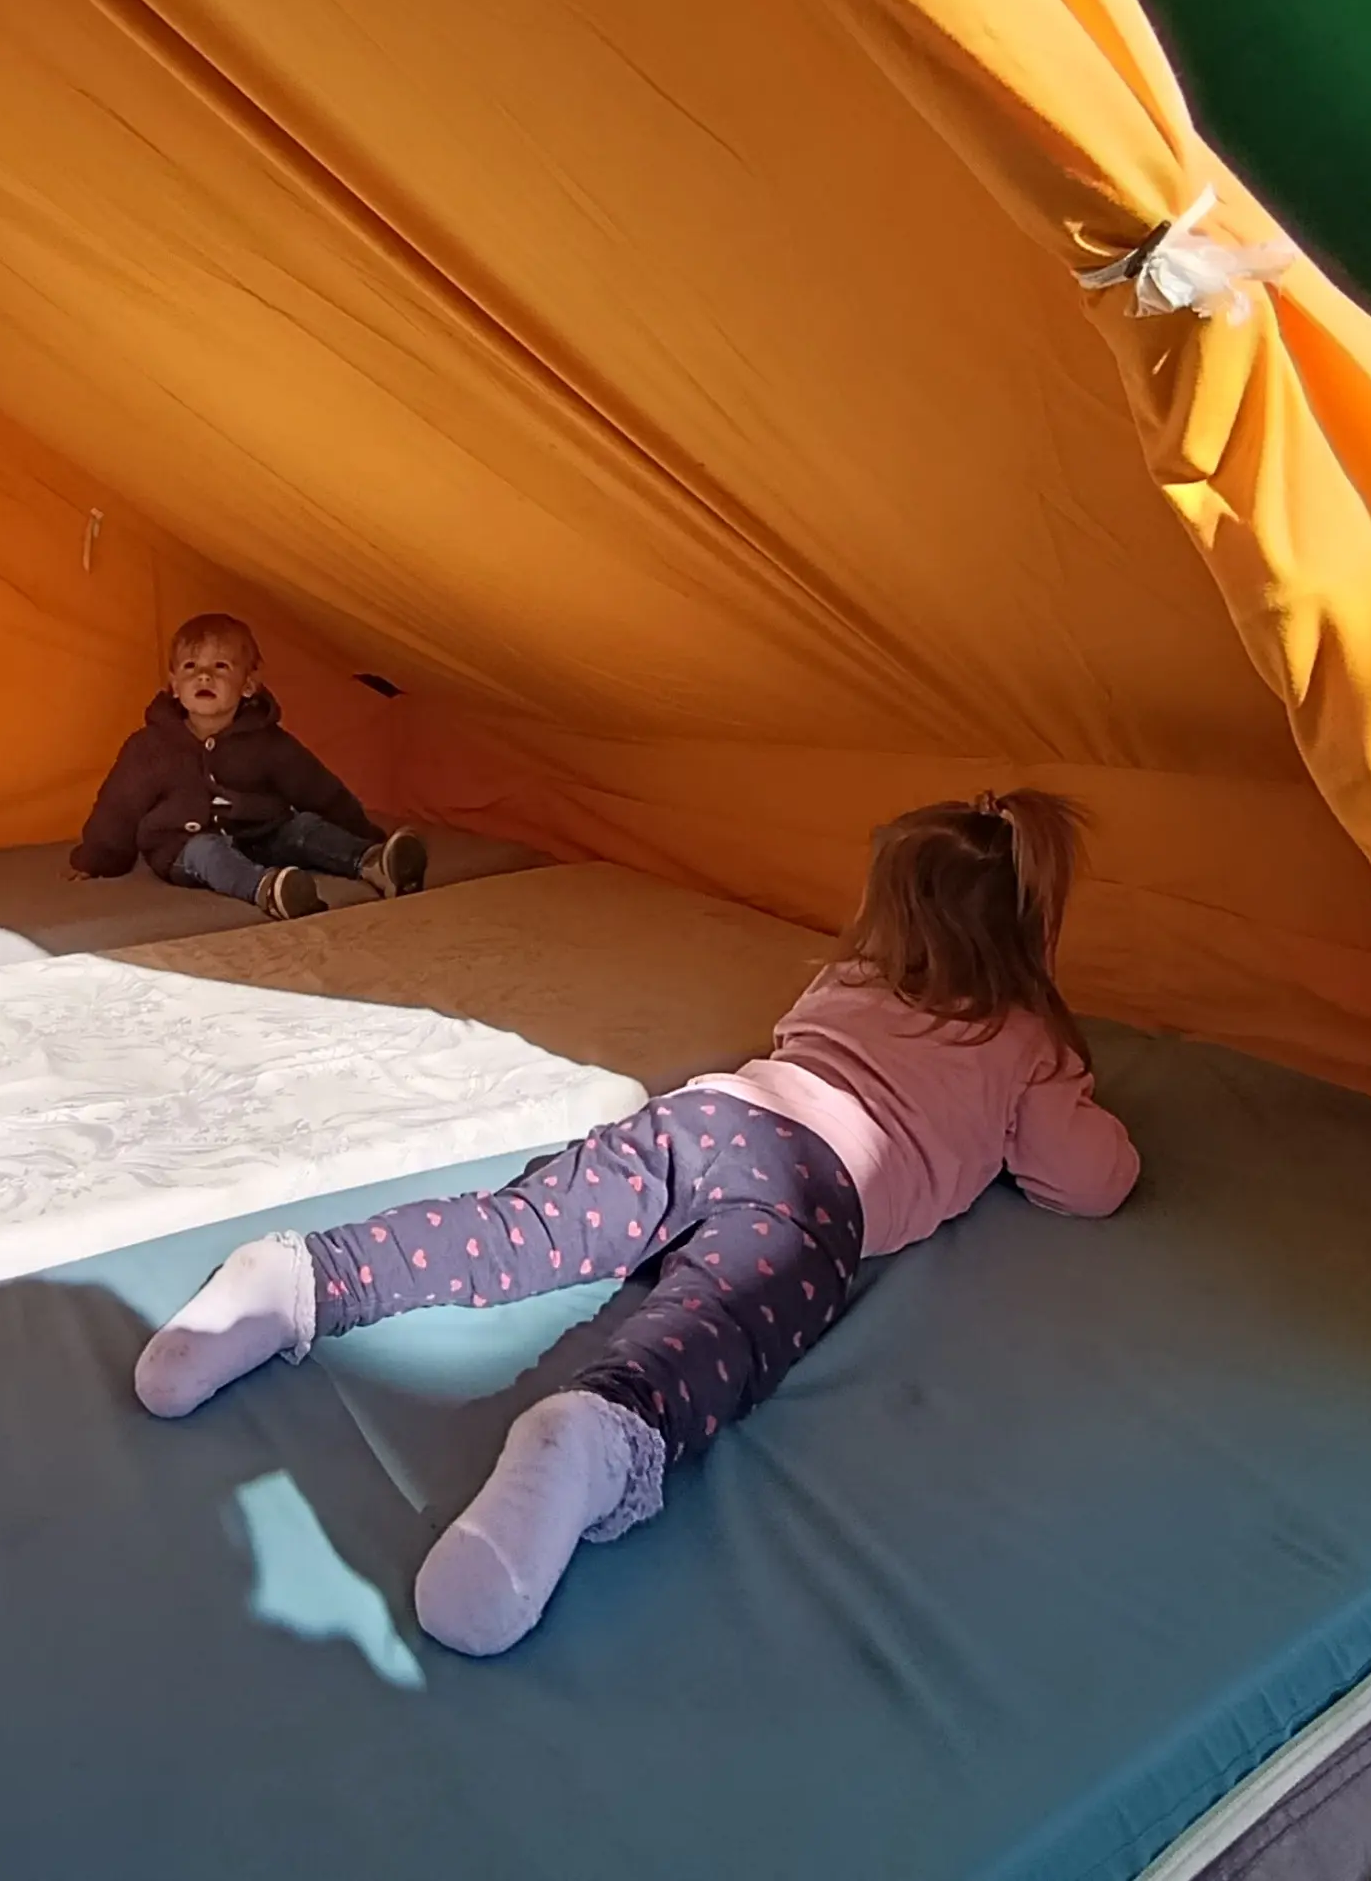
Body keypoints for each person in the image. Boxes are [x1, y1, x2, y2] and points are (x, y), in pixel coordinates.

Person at [133, 790, 1141, 1653]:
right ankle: (596, 1433)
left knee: (522, 1228)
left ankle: (308, 1276)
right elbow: (1091, 1180)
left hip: (709, 1115)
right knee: (716, 1328)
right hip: (812, 1196)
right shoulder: (1026, 1046)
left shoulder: (851, 980)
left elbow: (798, 1038)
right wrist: (1072, 1091)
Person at [69, 612, 426, 919]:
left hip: (261, 835)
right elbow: (118, 806)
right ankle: (268, 890)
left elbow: (318, 788)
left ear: (248, 685)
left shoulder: (267, 741)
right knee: (209, 852)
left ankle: (373, 862)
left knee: (303, 827)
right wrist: (98, 859)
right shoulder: (150, 746)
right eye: (191, 667)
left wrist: (362, 831)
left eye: (220, 667)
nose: (204, 677)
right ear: (174, 686)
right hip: (182, 847)